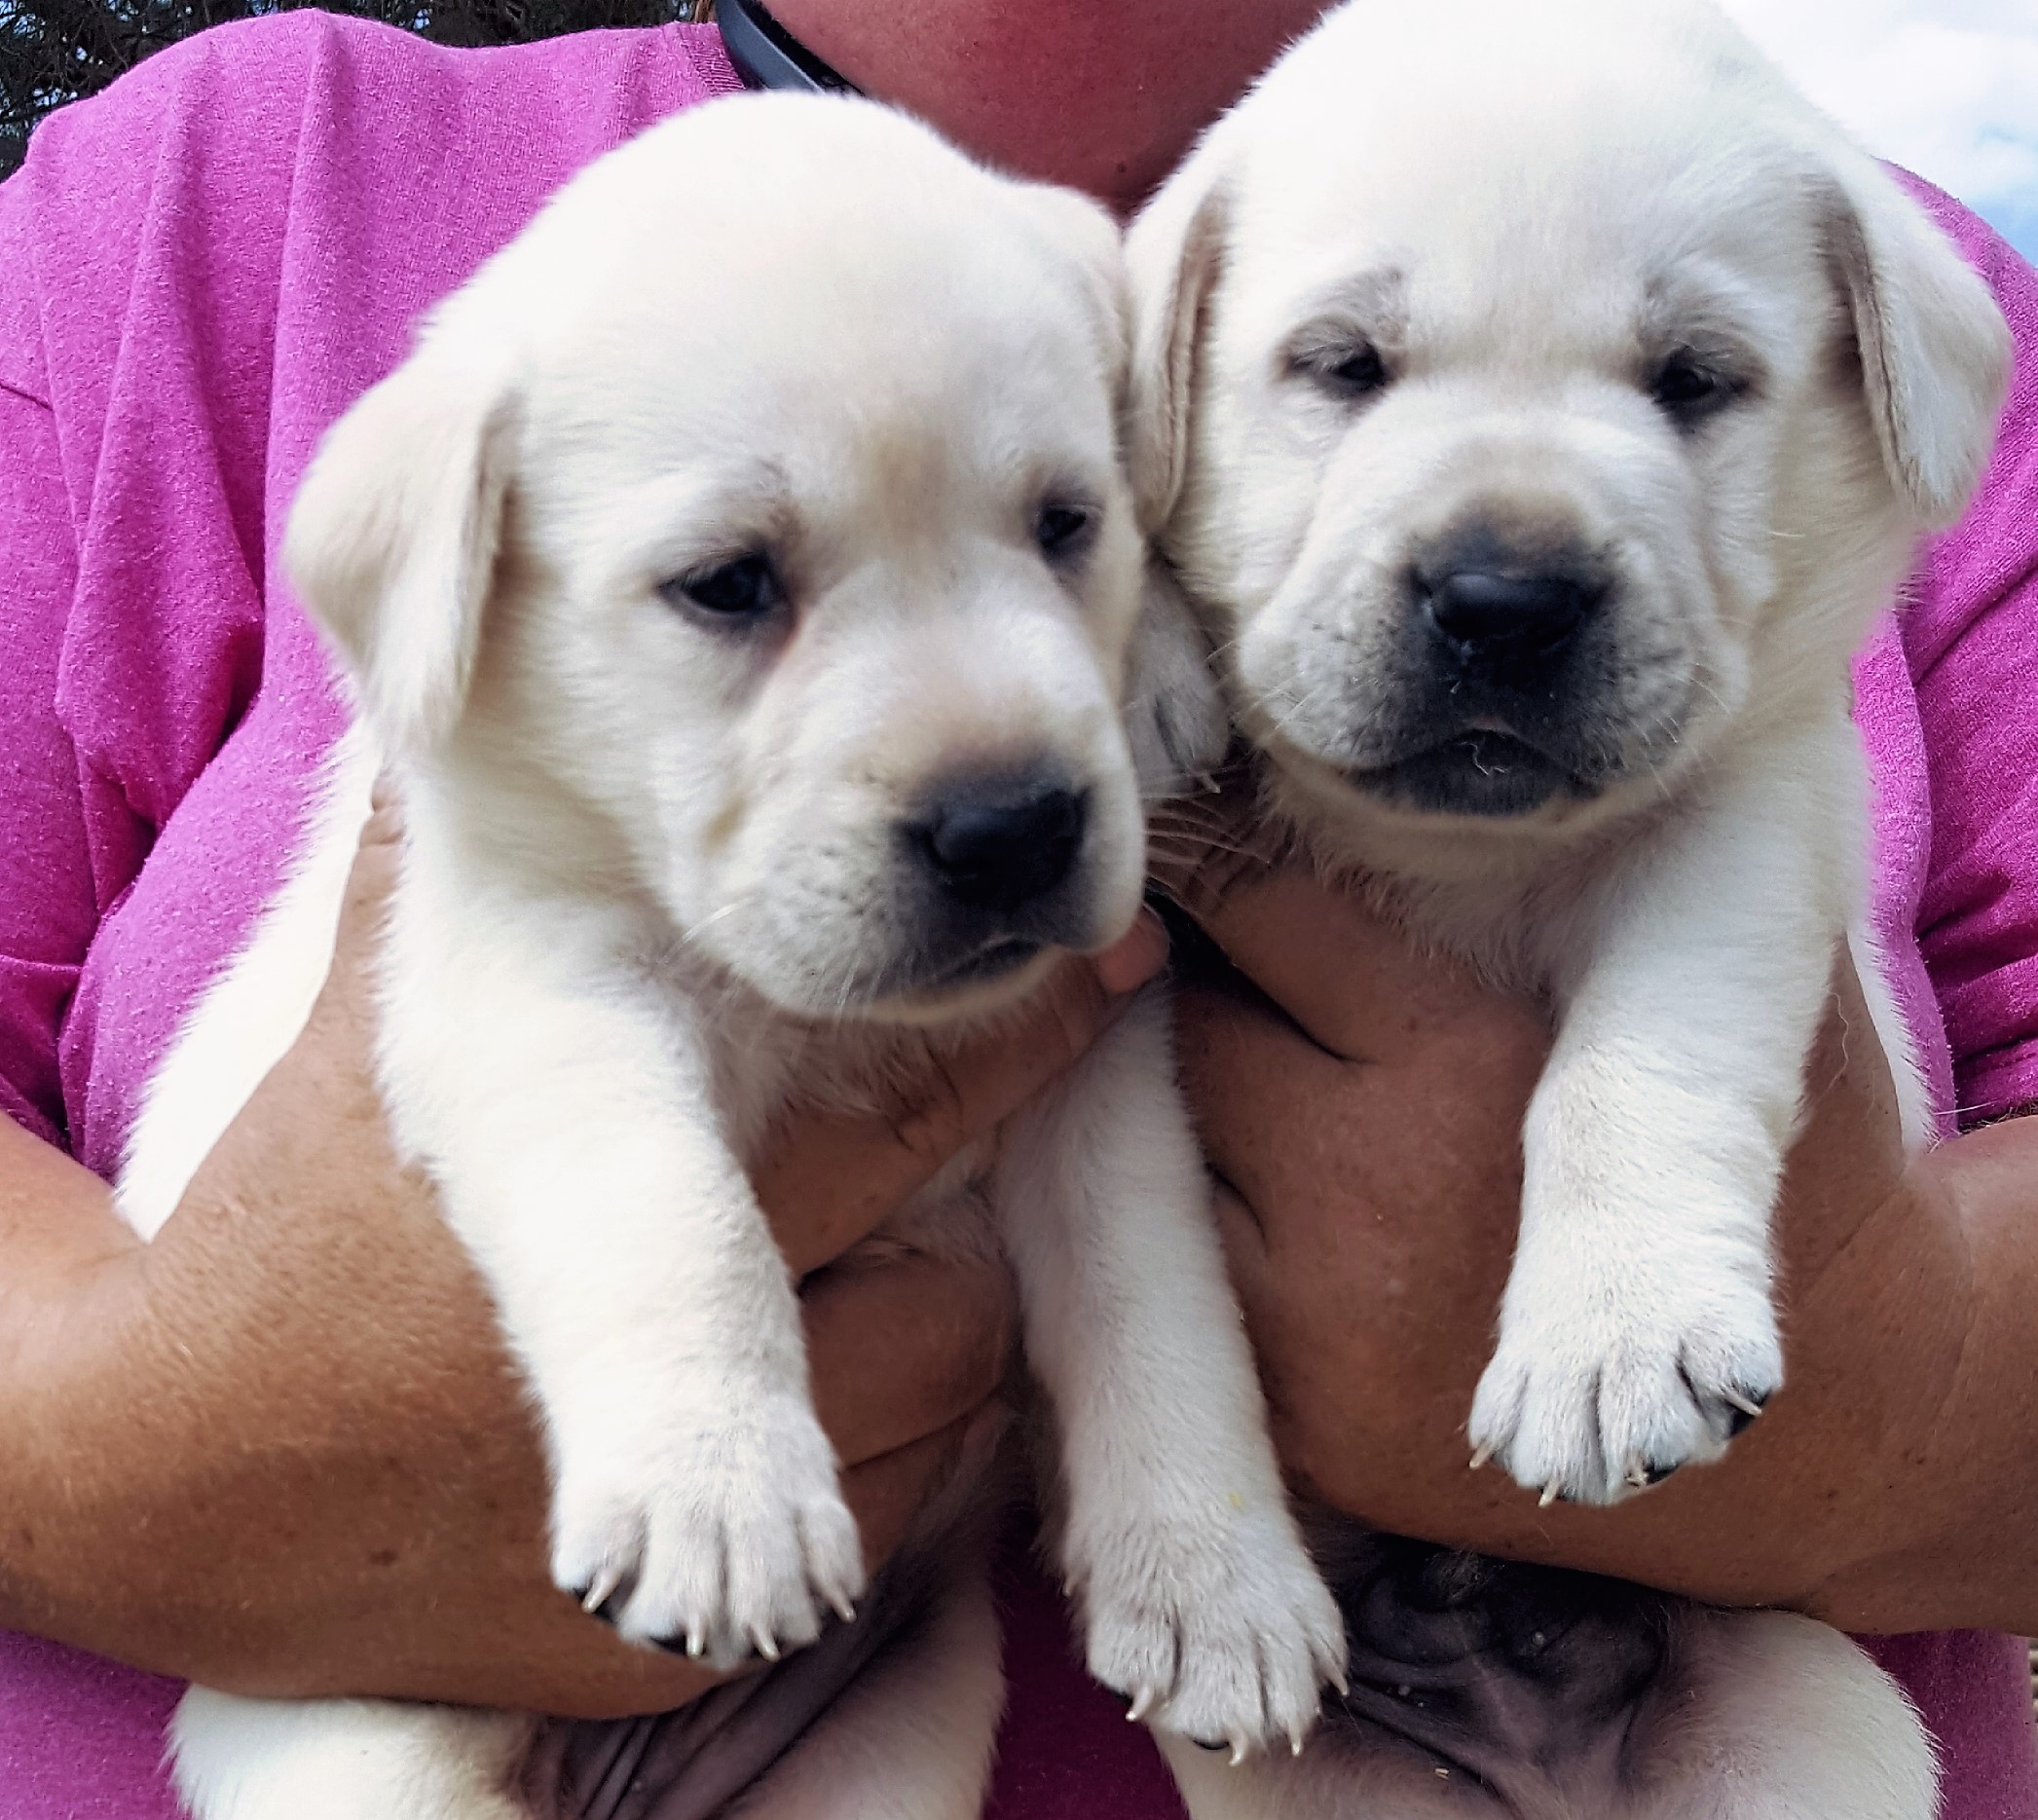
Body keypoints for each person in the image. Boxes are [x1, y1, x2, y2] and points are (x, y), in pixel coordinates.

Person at [0, 2, 2032, 1817]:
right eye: (1336, 365)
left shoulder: (1859, 271)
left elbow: (1085, 1065)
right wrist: (136, 1434)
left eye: (1067, 530)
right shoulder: (214, 209)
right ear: (1196, 350)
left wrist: (1897, 1388)